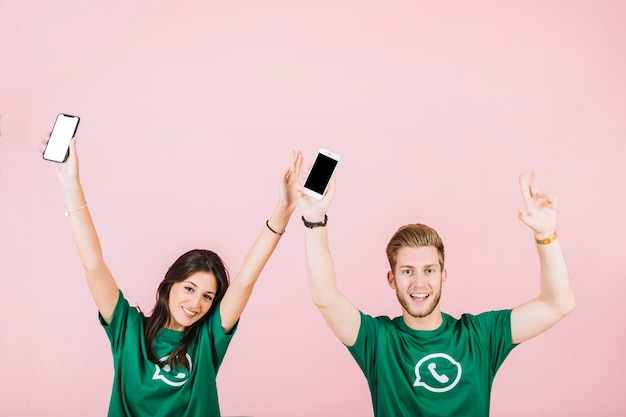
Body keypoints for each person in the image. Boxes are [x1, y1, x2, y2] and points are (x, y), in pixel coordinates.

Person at [41, 135, 302, 417]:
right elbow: (93, 264)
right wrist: (70, 183)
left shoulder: (207, 339)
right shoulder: (127, 330)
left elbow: (246, 279)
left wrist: (284, 209)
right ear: (169, 285)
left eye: (207, 296)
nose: (195, 303)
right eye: (189, 289)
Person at [297, 168, 575, 417]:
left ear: (443, 276)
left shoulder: (480, 336)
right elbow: (325, 297)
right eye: (408, 271)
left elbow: (558, 304)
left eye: (429, 270)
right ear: (391, 279)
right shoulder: (378, 341)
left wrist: (546, 235)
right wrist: (314, 220)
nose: (419, 282)